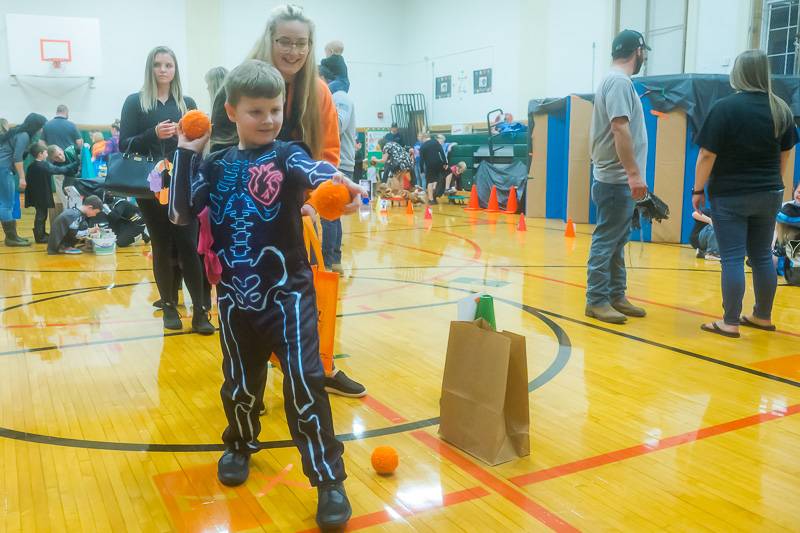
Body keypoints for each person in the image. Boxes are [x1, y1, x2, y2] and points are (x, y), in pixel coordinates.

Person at [171, 59, 360, 530]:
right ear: (231, 112)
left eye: (275, 109)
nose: (269, 120)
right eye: (257, 111)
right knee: (239, 381)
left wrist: (336, 182)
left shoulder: (287, 154)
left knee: (303, 383)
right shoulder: (213, 165)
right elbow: (179, 212)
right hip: (234, 298)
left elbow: (313, 168)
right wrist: (185, 152)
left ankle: (328, 478)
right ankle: (238, 442)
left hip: (288, 295)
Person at [210, 4, 365, 398]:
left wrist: (320, 198)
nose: (293, 51)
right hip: (246, 217)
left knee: (309, 296)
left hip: (301, 212)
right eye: (285, 41)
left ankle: (318, 367)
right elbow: (223, 153)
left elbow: (327, 154)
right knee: (249, 305)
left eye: (302, 43)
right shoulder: (240, 83)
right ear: (270, 40)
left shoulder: (319, 92)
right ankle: (251, 386)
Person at [693, 49, 798, 338]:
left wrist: (697, 190)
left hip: (731, 194)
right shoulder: (781, 110)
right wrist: (772, 181)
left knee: (732, 258)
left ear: (738, 73)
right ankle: (762, 316)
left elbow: (706, 154)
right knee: (763, 255)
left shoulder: (725, 108)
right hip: (769, 192)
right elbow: (786, 153)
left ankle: (730, 322)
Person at [119, 45, 213, 334]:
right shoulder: (135, 102)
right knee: (161, 243)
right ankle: (169, 307)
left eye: (168, 65)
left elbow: (198, 144)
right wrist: (153, 134)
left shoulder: (186, 102)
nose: (163, 70)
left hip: (182, 181)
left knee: (188, 244)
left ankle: (200, 312)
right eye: (158, 65)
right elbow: (124, 144)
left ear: (175, 70)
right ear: (151, 69)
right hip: (150, 184)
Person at [585, 29, 651, 324]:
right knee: (607, 239)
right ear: (638, 52)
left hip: (615, 179)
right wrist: (634, 175)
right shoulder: (619, 82)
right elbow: (619, 128)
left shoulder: (616, 82)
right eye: (644, 52)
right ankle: (597, 300)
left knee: (616, 240)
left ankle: (615, 294)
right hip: (616, 180)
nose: (644, 57)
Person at [318, 60, 358, 276]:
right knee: (332, 214)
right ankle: (334, 260)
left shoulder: (340, 97)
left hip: (339, 162)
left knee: (329, 215)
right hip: (334, 161)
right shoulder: (335, 96)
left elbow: (338, 124)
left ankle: (330, 260)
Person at [0, 112, 47, 247]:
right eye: (41, 126)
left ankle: (13, 236)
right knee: (6, 204)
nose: (42, 129)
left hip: (2, 168)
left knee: (5, 203)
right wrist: (22, 177)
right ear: (36, 126)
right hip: (4, 169)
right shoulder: (23, 135)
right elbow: (17, 157)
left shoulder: (18, 132)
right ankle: (11, 238)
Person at [24, 142, 80, 243]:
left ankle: (41, 233)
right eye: (46, 152)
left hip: (35, 194)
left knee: (41, 214)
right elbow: (61, 169)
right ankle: (40, 237)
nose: (47, 154)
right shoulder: (43, 165)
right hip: (41, 195)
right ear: (40, 154)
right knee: (41, 216)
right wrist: (76, 163)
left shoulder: (32, 165)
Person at [420, 133, 448, 203]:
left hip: (429, 165)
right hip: (438, 163)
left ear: (423, 138)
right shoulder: (435, 142)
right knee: (436, 180)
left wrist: (422, 170)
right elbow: (442, 152)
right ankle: (435, 195)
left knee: (429, 182)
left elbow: (421, 160)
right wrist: (445, 163)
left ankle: (431, 199)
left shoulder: (423, 146)